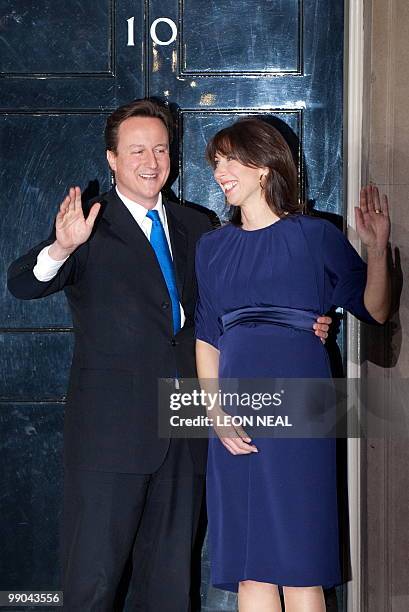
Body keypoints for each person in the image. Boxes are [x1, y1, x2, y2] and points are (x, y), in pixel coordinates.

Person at [7, 100, 332, 611]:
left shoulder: (199, 226)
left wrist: (301, 319)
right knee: (91, 584)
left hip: (185, 432)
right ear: (112, 159)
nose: (151, 160)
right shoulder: (88, 226)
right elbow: (23, 283)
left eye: (161, 149)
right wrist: (61, 249)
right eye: (136, 150)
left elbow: (232, 307)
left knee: (171, 587)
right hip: (109, 438)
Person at [195, 118, 390, 612]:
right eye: (215, 163)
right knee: (251, 569)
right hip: (236, 412)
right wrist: (215, 416)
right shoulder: (212, 247)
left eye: (230, 160)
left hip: (302, 409)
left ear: (263, 165)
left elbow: (375, 308)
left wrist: (376, 250)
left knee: (301, 568)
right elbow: (206, 337)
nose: (220, 172)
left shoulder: (315, 236)